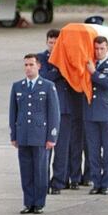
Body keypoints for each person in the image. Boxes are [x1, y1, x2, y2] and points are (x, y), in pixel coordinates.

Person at [9, 54, 60, 214]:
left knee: (40, 170)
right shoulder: (18, 86)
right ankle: (28, 202)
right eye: (26, 65)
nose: (28, 68)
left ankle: (39, 202)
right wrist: (14, 134)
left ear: (38, 66)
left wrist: (52, 136)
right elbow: (13, 112)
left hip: (40, 135)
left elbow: (53, 113)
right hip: (23, 134)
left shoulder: (47, 86)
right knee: (26, 170)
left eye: (31, 64)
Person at [38, 29, 73, 194]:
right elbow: (45, 76)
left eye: (55, 43)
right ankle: (43, 182)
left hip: (64, 108)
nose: (52, 46)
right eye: (50, 42)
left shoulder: (66, 57)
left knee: (62, 148)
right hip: (46, 109)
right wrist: (58, 70)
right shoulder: (41, 58)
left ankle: (58, 181)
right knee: (46, 148)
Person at [84, 36, 108, 194]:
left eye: (102, 48)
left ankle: (106, 183)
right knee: (93, 150)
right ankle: (96, 182)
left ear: (107, 49)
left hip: (106, 113)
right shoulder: (88, 63)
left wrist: (94, 73)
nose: (98, 52)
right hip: (91, 113)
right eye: (96, 48)